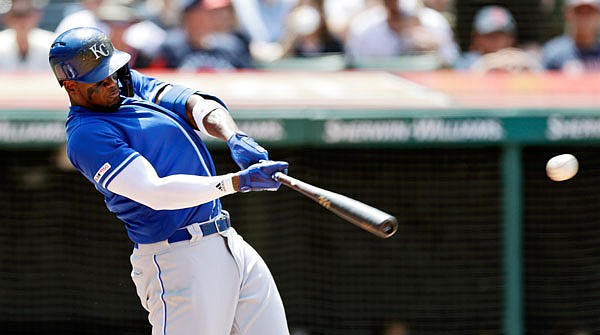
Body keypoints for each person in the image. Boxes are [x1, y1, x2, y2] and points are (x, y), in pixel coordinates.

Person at [48, 27, 290, 334]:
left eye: (113, 71)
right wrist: (236, 182)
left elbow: (196, 104)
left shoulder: (128, 85)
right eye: (100, 79)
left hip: (228, 241)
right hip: (178, 257)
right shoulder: (86, 135)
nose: (112, 83)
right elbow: (155, 192)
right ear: (71, 86)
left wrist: (234, 135)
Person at [344, 0, 459, 68]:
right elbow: (353, 67)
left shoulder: (435, 22)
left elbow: (453, 63)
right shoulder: (364, 27)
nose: (403, 22)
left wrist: (436, 48)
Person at [152, 0, 253, 70]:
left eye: (224, 11)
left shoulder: (232, 45)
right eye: (213, 12)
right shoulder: (170, 47)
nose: (223, 16)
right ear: (191, 14)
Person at [453, 5, 542, 73]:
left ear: (512, 38)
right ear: (477, 37)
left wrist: (528, 65)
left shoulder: (521, 58)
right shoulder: (465, 61)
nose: (497, 40)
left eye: (502, 35)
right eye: (490, 35)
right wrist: (486, 65)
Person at [542, 0, 600, 73]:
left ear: (598, 15)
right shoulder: (554, 52)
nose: (584, 18)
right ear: (568, 14)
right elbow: (544, 82)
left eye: (590, 12)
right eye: (579, 12)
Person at [0, 0, 56, 71]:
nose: (22, 21)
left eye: (27, 14)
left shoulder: (52, 43)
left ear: (36, 15)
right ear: (7, 17)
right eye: (17, 15)